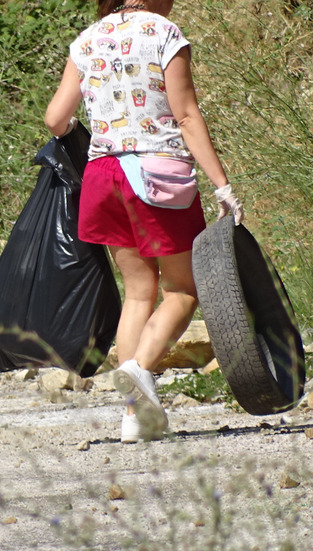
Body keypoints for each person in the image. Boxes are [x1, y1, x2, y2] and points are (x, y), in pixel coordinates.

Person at [45, 0, 243, 443]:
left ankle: (136, 416)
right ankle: (138, 370)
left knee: (138, 293)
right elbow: (186, 114)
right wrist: (222, 185)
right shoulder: (163, 32)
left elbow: (56, 119)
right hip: (156, 178)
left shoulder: (86, 39)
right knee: (183, 289)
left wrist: (99, 125)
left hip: (102, 178)